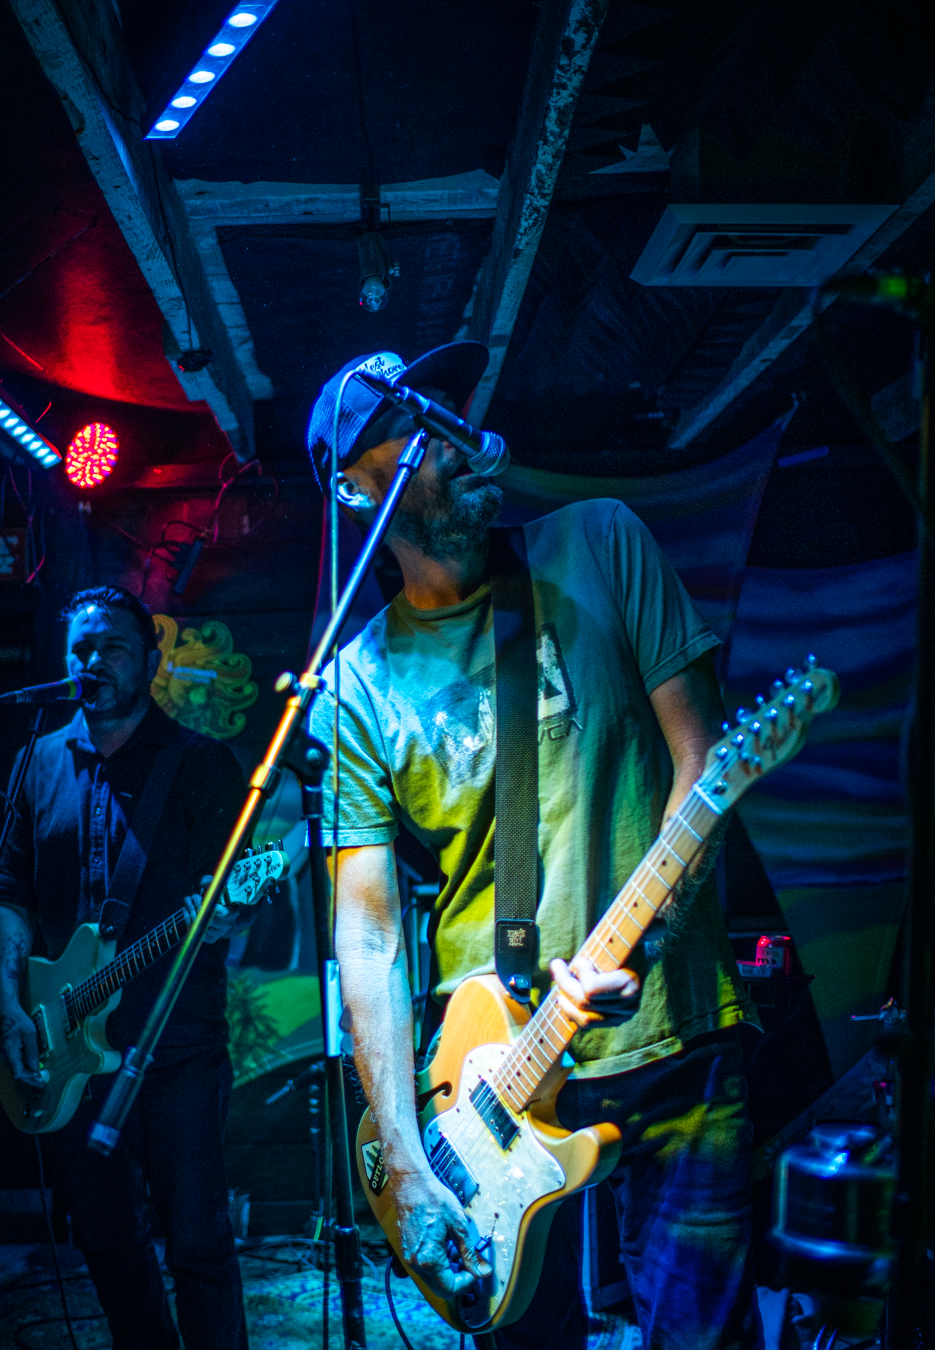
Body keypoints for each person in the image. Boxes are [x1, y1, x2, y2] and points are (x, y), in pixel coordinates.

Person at [307, 344, 761, 1350]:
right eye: (410, 427)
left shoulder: (599, 541)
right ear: (355, 489)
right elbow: (368, 940)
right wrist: (405, 1164)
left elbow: (702, 765)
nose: (450, 432)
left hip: (671, 1036)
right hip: (489, 1079)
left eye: (445, 408)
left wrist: (647, 938)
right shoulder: (356, 686)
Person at [0, 587, 249, 1350]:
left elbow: (234, 895)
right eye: (80, 648)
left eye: (112, 648)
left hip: (178, 1050)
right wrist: (11, 1007)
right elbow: (7, 895)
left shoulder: (201, 765)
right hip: (68, 1047)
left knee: (197, 1244)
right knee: (105, 1242)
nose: (92, 661)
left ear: (150, 662)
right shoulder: (36, 761)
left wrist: (226, 912)